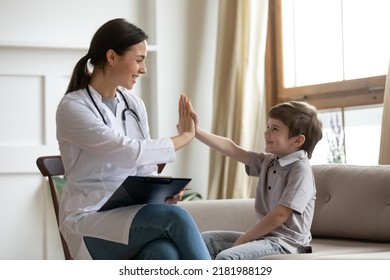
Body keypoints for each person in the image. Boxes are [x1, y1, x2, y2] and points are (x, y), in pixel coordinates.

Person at [55, 18, 210, 260]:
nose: (144, 69)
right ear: (112, 57)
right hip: (89, 220)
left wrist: (161, 192)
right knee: (175, 219)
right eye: (139, 60)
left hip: (129, 214)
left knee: (164, 253)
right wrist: (186, 136)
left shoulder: (134, 105)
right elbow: (128, 151)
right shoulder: (73, 107)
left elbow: (145, 167)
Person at [188, 99, 323, 259]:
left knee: (226, 257)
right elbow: (232, 149)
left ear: (298, 140)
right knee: (205, 241)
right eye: (268, 126)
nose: (267, 133)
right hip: (266, 238)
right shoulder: (270, 161)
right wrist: (196, 131)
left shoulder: (300, 170)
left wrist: (243, 240)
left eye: (275, 129)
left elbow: (280, 215)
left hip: (287, 244)